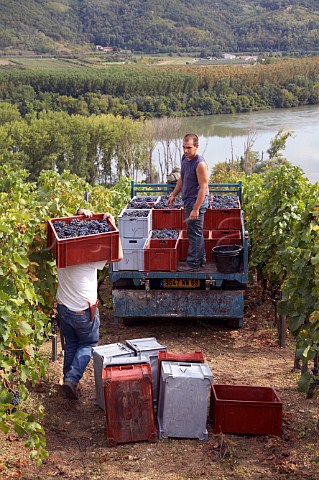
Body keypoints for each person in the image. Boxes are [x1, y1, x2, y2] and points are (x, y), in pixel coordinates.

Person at [56, 208, 120, 400]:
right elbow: (118, 254)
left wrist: (78, 214)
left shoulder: (61, 252)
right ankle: (72, 379)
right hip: (83, 312)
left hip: (63, 308)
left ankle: (68, 380)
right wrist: (113, 226)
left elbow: (71, 230)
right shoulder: (91, 258)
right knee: (88, 343)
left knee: (72, 344)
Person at [167, 133, 209, 272]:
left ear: (196, 146)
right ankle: (201, 259)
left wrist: (196, 209)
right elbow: (182, 179)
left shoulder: (200, 164)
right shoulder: (185, 159)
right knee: (195, 232)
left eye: (189, 148)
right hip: (188, 201)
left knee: (193, 233)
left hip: (196, 202)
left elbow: (203, 187)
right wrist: (173, 194)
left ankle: (193, 264)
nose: (185, 150)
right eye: (184, 147)